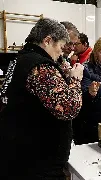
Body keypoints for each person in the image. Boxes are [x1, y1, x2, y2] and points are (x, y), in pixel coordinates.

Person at [0, 18, 84, 180]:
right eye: (60, 47)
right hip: (35, 164)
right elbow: (69, 108)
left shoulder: (21, 59)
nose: (61, 53)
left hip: (17, 153)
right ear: (47, 41)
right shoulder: (41, 67)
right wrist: (75, 79)